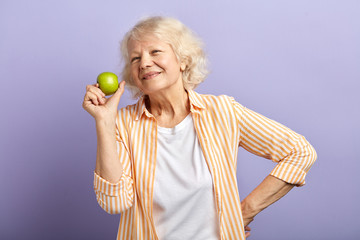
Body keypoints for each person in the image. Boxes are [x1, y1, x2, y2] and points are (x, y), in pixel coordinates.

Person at [82, 16, 317, 240]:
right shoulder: (122, 123)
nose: (144, 62)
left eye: (155, 52)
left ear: (183, 60)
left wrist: (243, 211)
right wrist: (104, 121)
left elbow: (300, 152)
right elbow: (115, 203)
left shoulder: (222, 111)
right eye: (135, 58)